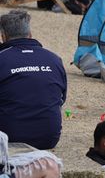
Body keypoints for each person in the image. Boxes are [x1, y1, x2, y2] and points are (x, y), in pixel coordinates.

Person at [0, 10, 67, 150]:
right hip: (48, 138)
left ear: (3, 36)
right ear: (30, 35)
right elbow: (61, 99)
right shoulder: (54, 59)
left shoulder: (2, 59)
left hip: (9, 137)